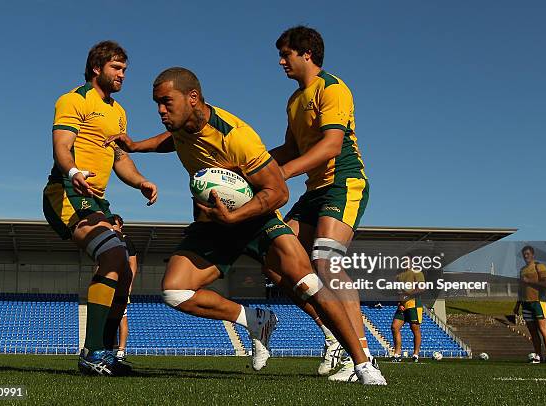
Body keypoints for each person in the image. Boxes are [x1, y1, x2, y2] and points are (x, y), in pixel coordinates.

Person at [104, 67, 385, 384]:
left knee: (308, 281)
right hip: (214, 222)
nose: (160, 110)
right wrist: (136, 146)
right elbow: (172, 139)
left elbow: (278, 192)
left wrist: (236, 216)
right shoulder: (183, 125)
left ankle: (363, 364)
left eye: (166, 102)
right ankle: (255, 319)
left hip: (256, 218)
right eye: (157, 103)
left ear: (193, 98)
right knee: (175, 291)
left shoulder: (236, 137)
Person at [266, 25, 377, 382]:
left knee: (325, 261)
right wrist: (249, 167)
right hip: (314, 190)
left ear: (307, 54)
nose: (281, 61)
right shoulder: (294, 100)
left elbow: (330, 147)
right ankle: (332, 334)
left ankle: (360, 353)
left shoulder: (332, 88)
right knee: (277, 260)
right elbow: (291, 149)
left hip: (344, 183)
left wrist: (279, 174)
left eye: (286, 54)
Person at [42, 40, 157, 376]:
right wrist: (74, 171)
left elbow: (121, 158)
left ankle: (106, 355)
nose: (122, 75)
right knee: (112, 255)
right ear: (97, 68)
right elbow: (61, 147)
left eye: (124, 69)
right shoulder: (74, 99)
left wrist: (141, 182)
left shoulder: (118, 112)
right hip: (64, 190)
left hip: (95, 198)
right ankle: (92, 354)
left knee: (125, 268)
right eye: (116, 68)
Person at [513, 245, 546, 364]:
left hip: (538, 302)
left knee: (542, 328)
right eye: (524, 254)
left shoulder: (539, 266)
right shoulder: (522, 270)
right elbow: (521, 289)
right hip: (526, 304)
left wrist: (529, 281)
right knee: (532, 331)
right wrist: (517, 305)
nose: (526, 256)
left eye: (528, 254)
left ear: (532, 255)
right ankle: (538, 356)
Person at [111, 214, 138, 361]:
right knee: (107, 317)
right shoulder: (107, 241)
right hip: (108, 286)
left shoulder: (127, 241)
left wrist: (130, 284)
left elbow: (133, 264)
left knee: (122, 318)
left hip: (121, 284)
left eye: (114, 224)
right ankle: (107, 348)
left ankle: (121, 350)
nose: (112, 227)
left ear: (121, 225)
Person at [390, 267, 425, 362]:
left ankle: (415, 354)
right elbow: (398, 291)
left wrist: (408, 295)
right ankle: (397, 354)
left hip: (414, 304)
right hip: (402, 305)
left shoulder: (417, 272)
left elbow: (422, 288)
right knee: (394, 327)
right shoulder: (398, 275)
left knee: (415, 328)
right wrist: (399, 302)